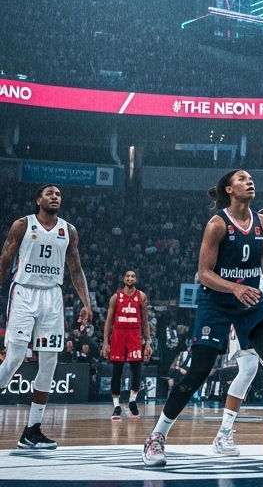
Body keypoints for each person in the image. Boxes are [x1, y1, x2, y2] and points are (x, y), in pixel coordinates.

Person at [142, 170, 263, 466]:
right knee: (198, 371)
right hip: (216, 302)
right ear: (229, 189)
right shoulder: (217, 225)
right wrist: (234, 288)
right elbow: (204, 274)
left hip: (251, 304)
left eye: (251, 178)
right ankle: (157, 436)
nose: (249, 181)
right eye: (242, 179)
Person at [0, 184, 92, 449]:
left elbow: (76, 269)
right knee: (15, 358)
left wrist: (86, 302)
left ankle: (32, 430)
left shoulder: (69, 230)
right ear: (38, 199)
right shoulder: (22, 225)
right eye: (50, 194)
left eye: (58, 194)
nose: (55, 197)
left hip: (52, 297)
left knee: (49, 363)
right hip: (24, 292)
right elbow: (4, 262)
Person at [212, 207, 263, 456]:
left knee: (262, 371)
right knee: (251, 371)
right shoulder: (250, 245)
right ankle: (225, 434)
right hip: (244, 313)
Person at [101, 269, 151, 420]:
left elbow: (145, 321)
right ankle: (116, 406)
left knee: (137, 369)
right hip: (119, 333)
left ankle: (132, 402)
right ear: (124, 279)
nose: (130, 278)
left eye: (133, 276)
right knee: (117, 371)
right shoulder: (115, 297)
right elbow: (108, 321)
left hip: (134, 334)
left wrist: (148, 341)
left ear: (136, 279)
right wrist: (105, 342)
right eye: (127, 276)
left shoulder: (141, 297)